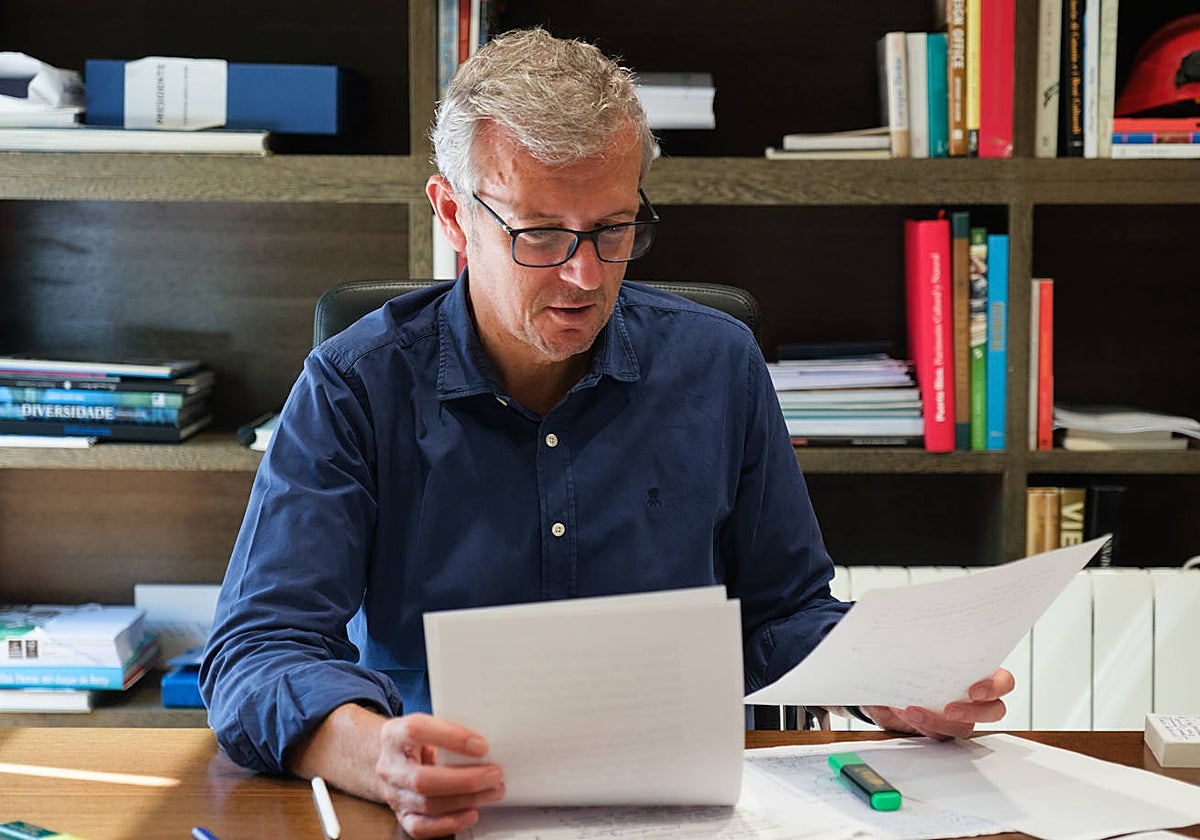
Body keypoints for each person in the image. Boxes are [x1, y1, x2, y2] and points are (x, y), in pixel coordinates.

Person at [200, 27, 1014, 840]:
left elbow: (782, 613)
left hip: (689, 814)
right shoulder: (355, 385)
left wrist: (887, 679)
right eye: (540, 233)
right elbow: (257, 653)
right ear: (453, 214)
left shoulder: (717, 365)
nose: (584, 276)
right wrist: (375, 756)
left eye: (614, 229)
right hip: (445, 810)